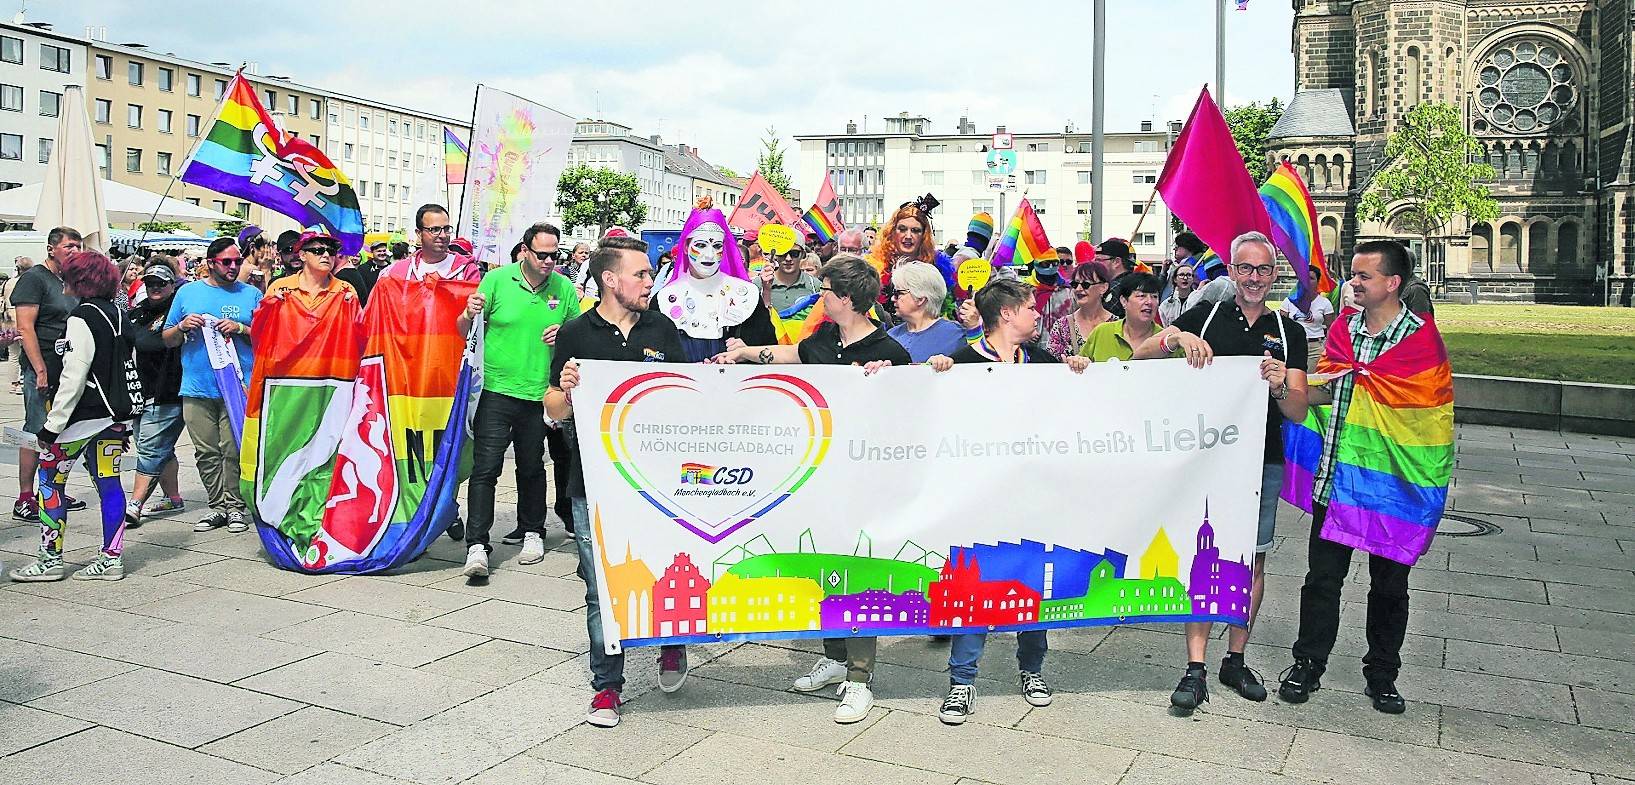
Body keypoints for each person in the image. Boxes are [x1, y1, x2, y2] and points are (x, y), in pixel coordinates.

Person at [711, 254, 911, 725]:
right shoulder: (824, 338)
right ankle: (836, 657)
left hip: (863, 482)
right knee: (824, 572)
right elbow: (791, 355)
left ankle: (859, 680)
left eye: (824, 291)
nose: (818, 297)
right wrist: (742, 354)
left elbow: (908, 418)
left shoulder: (891, 354)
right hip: (817, 476)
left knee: (858, 577)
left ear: (845, 299)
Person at [1132, 231, 1308, 714]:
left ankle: (1236, 658)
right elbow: (1141, 355)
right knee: (1202, 556)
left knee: (1252, 560)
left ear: (1275, 275)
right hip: (1206, 459)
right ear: (1231, 272)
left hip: (1263, 459)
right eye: (1245, 269)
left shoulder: (1288, 330)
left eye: (1264, 270)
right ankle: (1195, 667)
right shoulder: (1205, 315)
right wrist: (1176, 336)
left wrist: (1277, 387)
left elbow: (1297, 411)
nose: (1254, 279)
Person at [1278, 241, 1442, 715]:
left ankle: (1383, 675)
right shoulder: (1344, 331)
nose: (1353, 283)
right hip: (1337, 479)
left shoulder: (1420, 341)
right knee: (1322, 579)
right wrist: (1281, 383)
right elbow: (1323, 393)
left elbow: (1429, 420)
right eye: (1353, 274)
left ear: (1393, 283)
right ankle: (1308, 664)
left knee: (1390, 586)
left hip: (1393, 489)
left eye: (1363, 276)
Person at [923, 277, 1088, 723]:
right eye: (1030, 307)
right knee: (973, 586)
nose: (1037, 313)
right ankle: (962, 682)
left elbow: (1077, 397)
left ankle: (1031, 670)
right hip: (979, 498)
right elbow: (925, 407)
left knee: (1034, 584)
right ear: (1007, 314)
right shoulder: (960, 361)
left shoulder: (1040, 360)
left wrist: (1079, 368)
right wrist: (934, 371)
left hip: (1033, 496)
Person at [546, 235, 692, 728]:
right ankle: (607, 686)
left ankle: (672, 644)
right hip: (593, 480)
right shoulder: (575, 332)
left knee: (668, 565)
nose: (651, 282)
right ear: (610, 280)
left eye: (650, 274)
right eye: (642, 274)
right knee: (600, 585)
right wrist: (564, 392)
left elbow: (686, 396)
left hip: (659, 480)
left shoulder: (663, 329)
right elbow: (551, 409)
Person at [457, 223, 580, 576]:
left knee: (531, 466)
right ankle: (477, 543)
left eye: (555, 255)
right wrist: (468, 313)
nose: (549, 261)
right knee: (486, 468)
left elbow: (578, 335)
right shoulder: (496, 280)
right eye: (542, 254)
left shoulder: (563, 287)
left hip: (539, 391)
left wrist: (565, 333)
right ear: (524, 250)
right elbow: (464, 332)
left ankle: (533, 531)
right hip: (495, 389)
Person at [8, 251, 138, 582]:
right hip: (113, 419)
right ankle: (112, 557)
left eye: (67, 276)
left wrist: (51, 428)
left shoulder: (81, 317)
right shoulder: (118, 314)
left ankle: (50, 560)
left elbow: (73, 376)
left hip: (80, 419)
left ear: (78, 281)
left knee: (50, 481)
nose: (62, 281)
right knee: (109, 483)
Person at [162, 236, 261, 533]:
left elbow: (266, 335)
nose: (233, 267)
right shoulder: (187, 293)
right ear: (210, 264)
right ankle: (216, 506)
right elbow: (167, 339)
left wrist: (241, 328)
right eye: (226, 262)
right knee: (205, 451)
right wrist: (181, 326)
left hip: (237, 386)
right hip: (196, 384)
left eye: (237, 261)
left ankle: (235, 506)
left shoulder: (251, 294)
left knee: (234, 449)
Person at [12, 228, 86, 521]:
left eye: (78, 246)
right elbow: (25, 328)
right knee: (36, 428)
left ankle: (52, 489)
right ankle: (25, 497)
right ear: (51, 248)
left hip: (66, 367)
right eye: (69, 246)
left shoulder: (69, 280)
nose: (75, 251)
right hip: (39, 367)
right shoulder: (34, 279)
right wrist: (39, 368)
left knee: (60, 431)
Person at [652, 197, 776, 362]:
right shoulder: (664, 299)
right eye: (701, 245)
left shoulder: (747, 296)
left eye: (717, 246)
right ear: (686, 247)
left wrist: (749, 352)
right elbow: (650, 357)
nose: (709, 255)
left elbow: (769, 351)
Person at [124, 259, 188, 528]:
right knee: (160, 447)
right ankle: (173, 498)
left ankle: (134, 504)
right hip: (141, 391)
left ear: (172, 284)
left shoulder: (178, 310)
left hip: (168, 391)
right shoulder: (139, 311)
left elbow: (153, 342)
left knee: (150, 449)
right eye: (150, 282)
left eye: (161, 283)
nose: (155, 287)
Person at [885, 262, 975, 362]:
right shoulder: (890, 336)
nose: (893, 298)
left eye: (898, 293)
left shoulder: (957, 336)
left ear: (920, 299)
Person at [386, 205, 484, 283]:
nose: (443, 235)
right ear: (419, 233)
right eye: (435, 229)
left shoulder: (466, 270)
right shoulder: (400, 271)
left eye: (446, 229)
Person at [1080, 272, 1164, 363]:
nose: (1149, 302)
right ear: (1124, 301)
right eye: (1141, 296)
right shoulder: (1102, 332)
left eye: (1154, 297)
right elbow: (1082, 363)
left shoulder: (1165, 339)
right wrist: (1078, 362)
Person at [1045, 260, 1114, 359]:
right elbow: (1051, 364)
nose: (1078, 289)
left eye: (1086, 284)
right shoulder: (1061, 326)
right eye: (1075, 284)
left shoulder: (1118, 326)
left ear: (1104, 287)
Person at [1280, 268, 1336, 359]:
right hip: (1293, 345)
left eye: (1311, 278)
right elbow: (1281, 326)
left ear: (1318, 282)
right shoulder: (1288, 301)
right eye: (1304, 278)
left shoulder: (1325, 303)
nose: (1307, 281)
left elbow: (1331, 327)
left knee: (1311, 373)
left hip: (1315, 347)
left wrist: (1327, 347)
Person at [760, 244, 822, 316]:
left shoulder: (815, 285)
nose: (788, 258)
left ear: (803, 255)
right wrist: (766, 291)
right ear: (775, 255)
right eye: (783, 253)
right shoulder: (759, 283)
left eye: (794, 253)